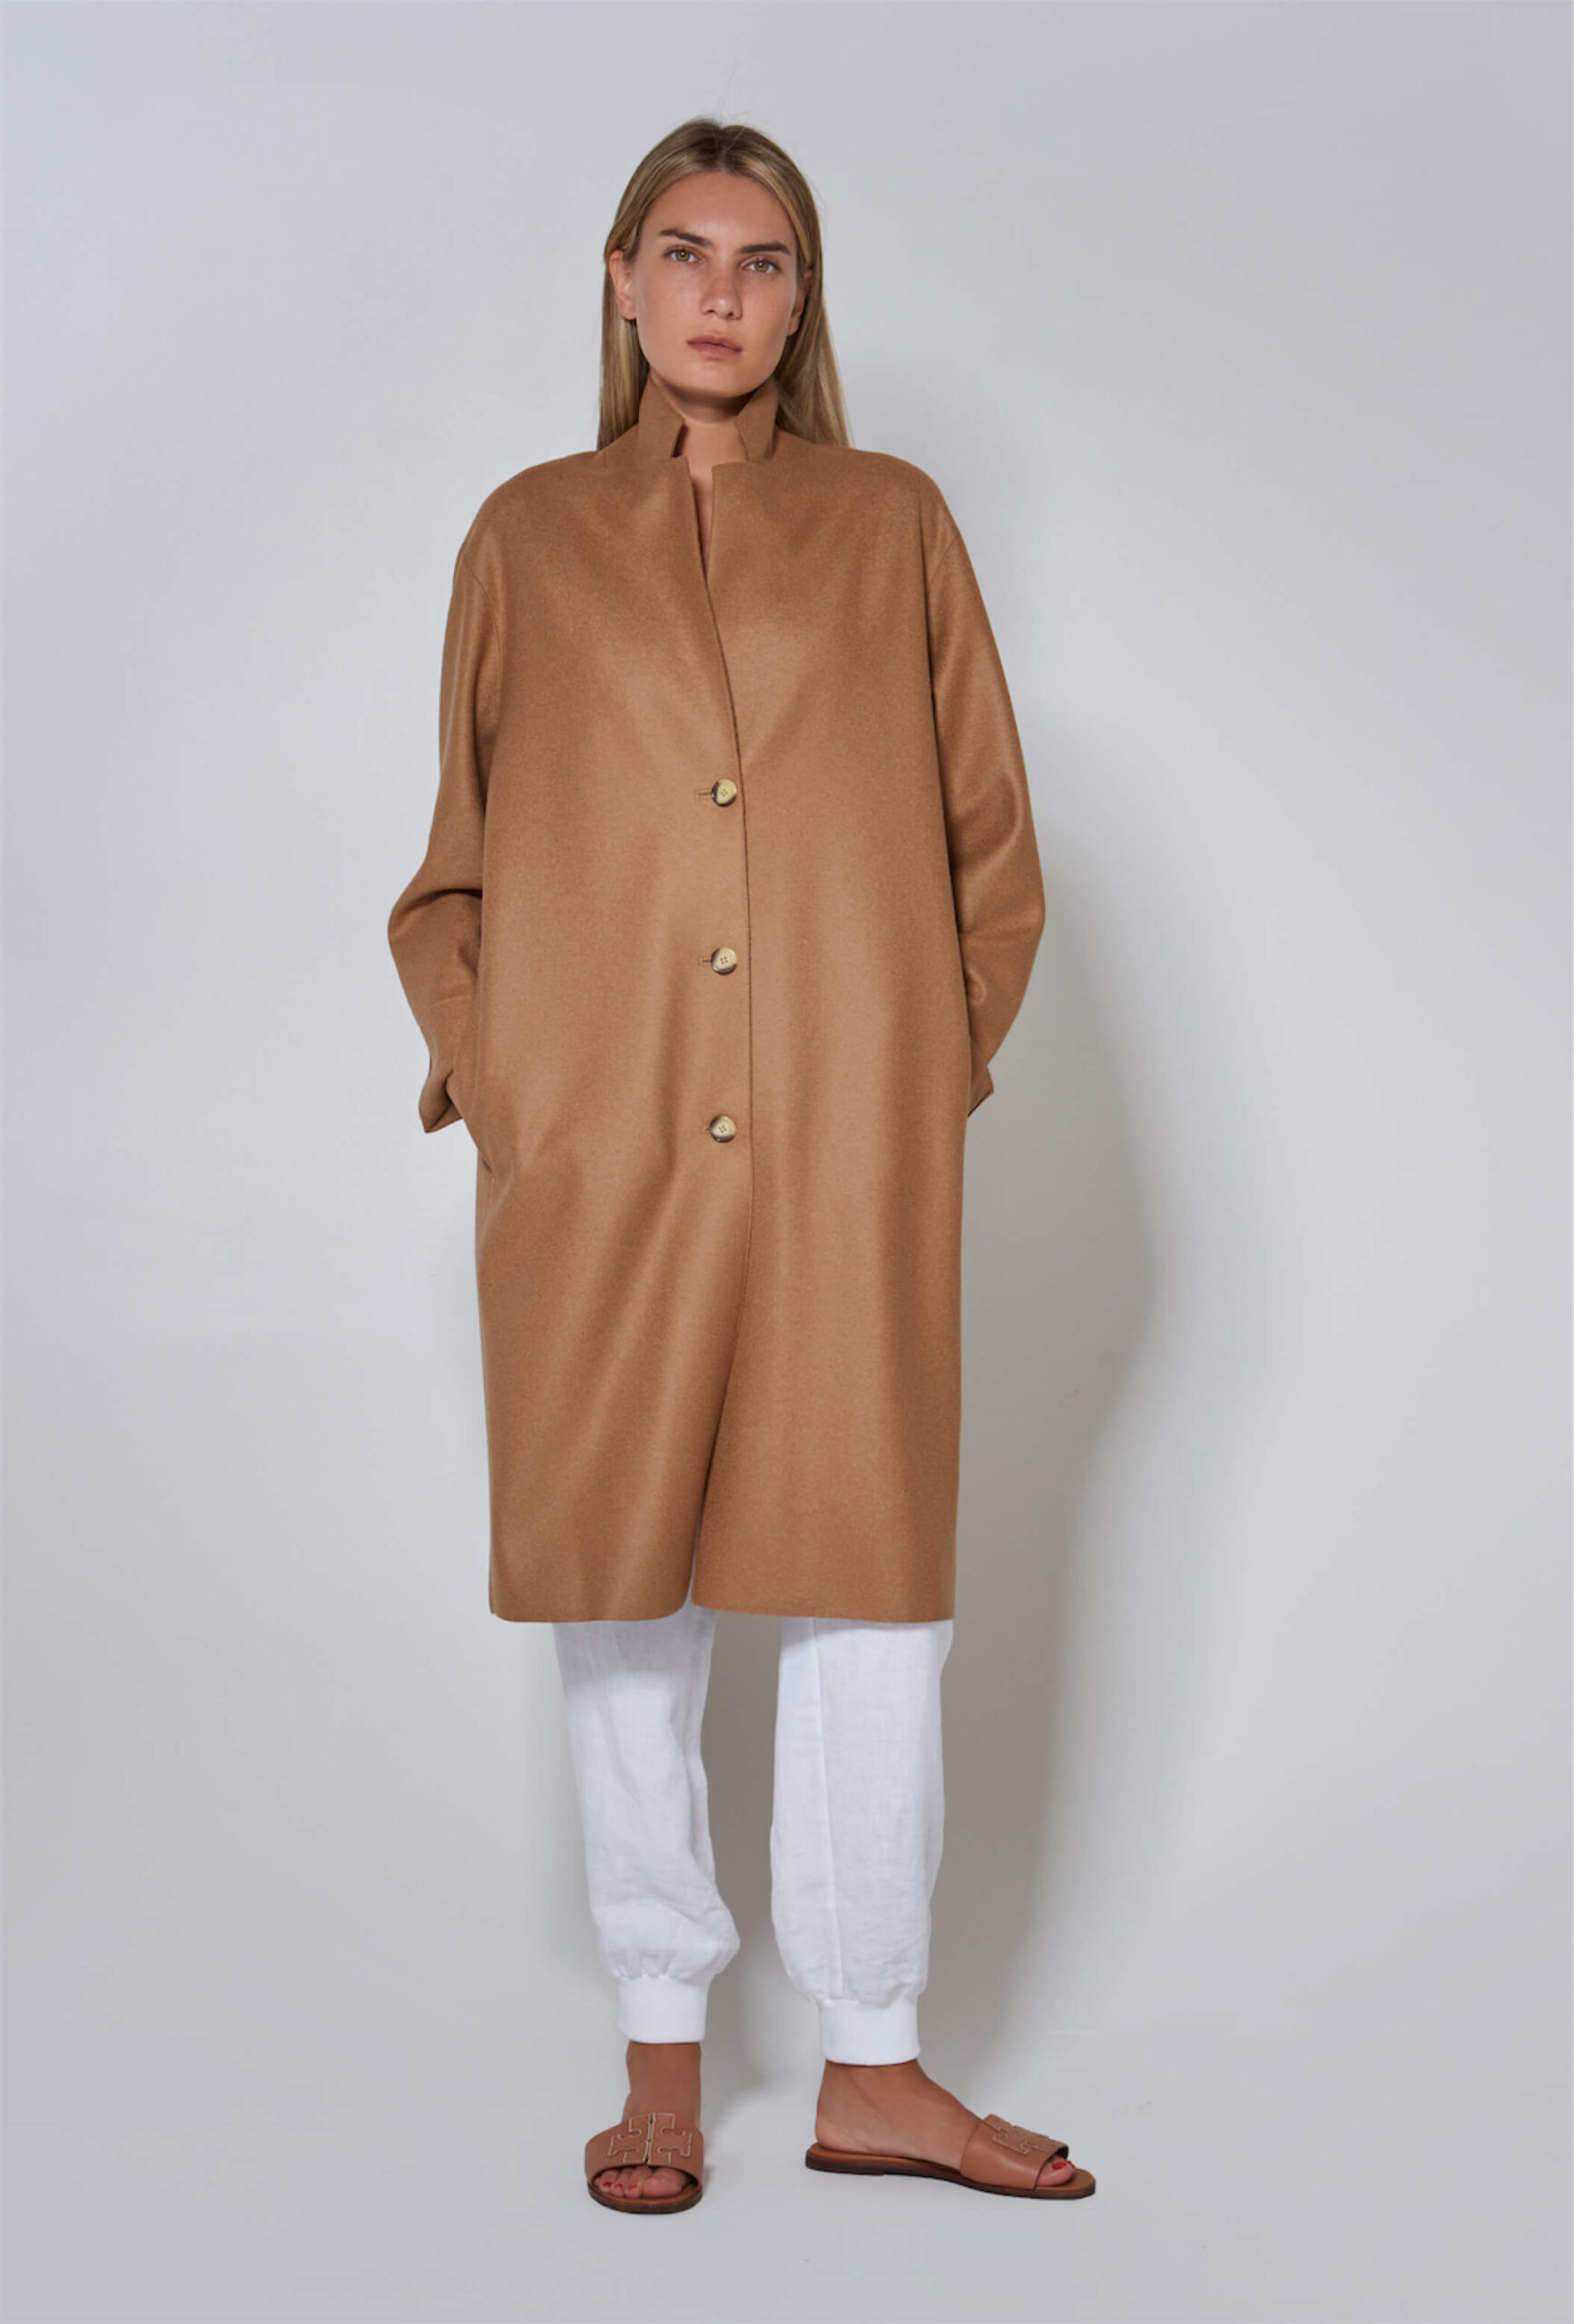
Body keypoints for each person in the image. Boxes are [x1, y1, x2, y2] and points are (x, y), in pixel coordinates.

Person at [388, 115, 1095, 2212]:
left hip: (844, 1156)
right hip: (600, 1157)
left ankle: (875, 2056)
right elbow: (454, 878)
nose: (720, 292)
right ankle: (661, 2043)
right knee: (625, 1596)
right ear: (621, 282)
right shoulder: (525, 539)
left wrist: (909, 1075)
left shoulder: (894, 524)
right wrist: (519, 1091)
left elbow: (991, 857)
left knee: (874, 1596)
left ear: (803, 301)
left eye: (763, 260)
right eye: (683, 251)